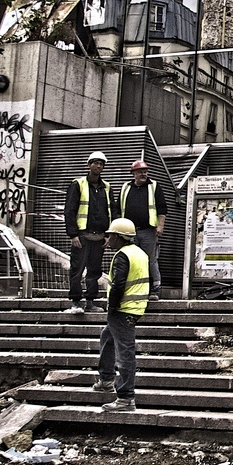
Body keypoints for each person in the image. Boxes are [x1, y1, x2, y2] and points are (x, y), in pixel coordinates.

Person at [92, 218, 149, 412]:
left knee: (125, 352)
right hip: (135, 307)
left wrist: (112, 307)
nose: (108, 239)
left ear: (118, 237)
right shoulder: (139, 253)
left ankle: (125, 397)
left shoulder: (122, 255)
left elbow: (118, 284)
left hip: (123, 309)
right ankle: (106, 379)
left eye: (110, 236)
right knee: (107, 337)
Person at [63, 151, 120, 313]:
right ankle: (75, 302)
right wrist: (73, 234)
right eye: (96, 163)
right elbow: (70, 210)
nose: (99, 166)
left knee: (94, 271)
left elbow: (112, 211)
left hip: (100, 236)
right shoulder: (78, 184)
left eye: (102, 164)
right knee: (77, 269)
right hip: (82, 235)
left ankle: (90, 302)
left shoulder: (107, 187)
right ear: (89, 165)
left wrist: (110, 235)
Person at [120, 159, 167, 301]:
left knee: (150, 260)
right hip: (129, 233)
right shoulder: (126, 187)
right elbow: (118, 209)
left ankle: (155, 289)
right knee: (131, 261)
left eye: (145, 171)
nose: (143, 174)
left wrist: (160, 225)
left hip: (148, 231)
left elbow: (162, 208)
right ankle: (135, 289)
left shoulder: (154, 187)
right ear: (133, 173)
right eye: (140, 171)